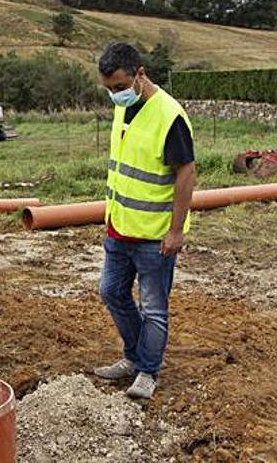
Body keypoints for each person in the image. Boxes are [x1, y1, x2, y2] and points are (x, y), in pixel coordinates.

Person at [92, 42, 196, 400]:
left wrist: (176, 230)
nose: (115, 95)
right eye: (108, 89)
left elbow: (186, 172)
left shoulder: (169, 115)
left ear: (140, 74)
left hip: (155, 236)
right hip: (119, 228)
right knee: (111, 292)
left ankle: (147, 372)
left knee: (154, 307)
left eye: (119, 87)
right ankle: (135, 356)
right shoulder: (125, 108)